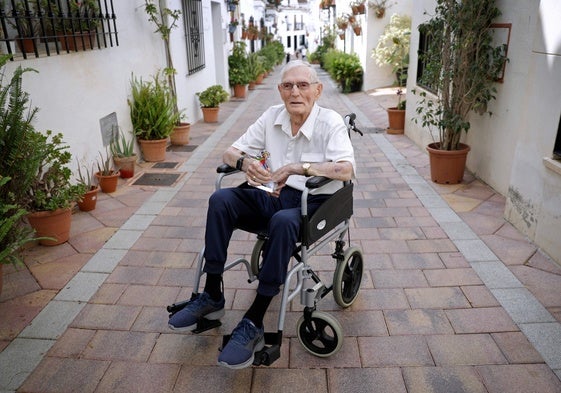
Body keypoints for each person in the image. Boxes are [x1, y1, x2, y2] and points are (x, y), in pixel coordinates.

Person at [168, 60, 356, 369]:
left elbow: (345, 169)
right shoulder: (272, 117)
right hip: (271, 195)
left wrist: (297, 168)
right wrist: (246, 165)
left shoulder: (330, 122)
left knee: (282, 222)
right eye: (287, 86)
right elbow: (230, 152)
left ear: (317, 90)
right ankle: (212, 293)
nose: (295, 91)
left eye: (302, 85)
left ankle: (254, 318)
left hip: (312, 205)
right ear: (280, 91)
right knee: (221, 199)